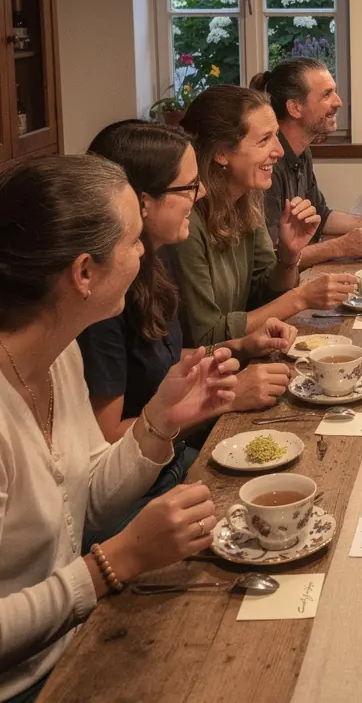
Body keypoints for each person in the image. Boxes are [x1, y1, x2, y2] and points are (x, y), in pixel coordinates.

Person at [0, 155, 238, 703]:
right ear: (84, 273)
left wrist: (159, 420)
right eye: (133, 241)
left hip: (74, 639)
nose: (144, 253)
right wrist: (115, 563)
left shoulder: (59, 356)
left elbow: (85, 500)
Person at [80, 121, 299, 486]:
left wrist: (240, 345)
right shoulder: (102, 300)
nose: (200, 195)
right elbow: (106, 441)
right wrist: (226, 399)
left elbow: (159, 360)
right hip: (142, 485)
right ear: (142, 203)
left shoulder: (153, 263)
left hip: (176, 458)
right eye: (188, 186)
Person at [169, 85, 357, 347]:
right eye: (264, 140)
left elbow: (265, 295)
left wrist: (289, 256)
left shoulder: (245, 198)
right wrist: (301, 298)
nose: (278, 151)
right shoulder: (185, 223)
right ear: (221, 153)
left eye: (276, 136)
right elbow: (206, 336)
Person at [249, 58, 362, 268]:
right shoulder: (268, 164)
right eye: (327, 95)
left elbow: (322, 216)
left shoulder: (302, 152)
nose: (338, 101)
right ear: (295, 108)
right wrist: (338, 247)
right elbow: (274, 258)